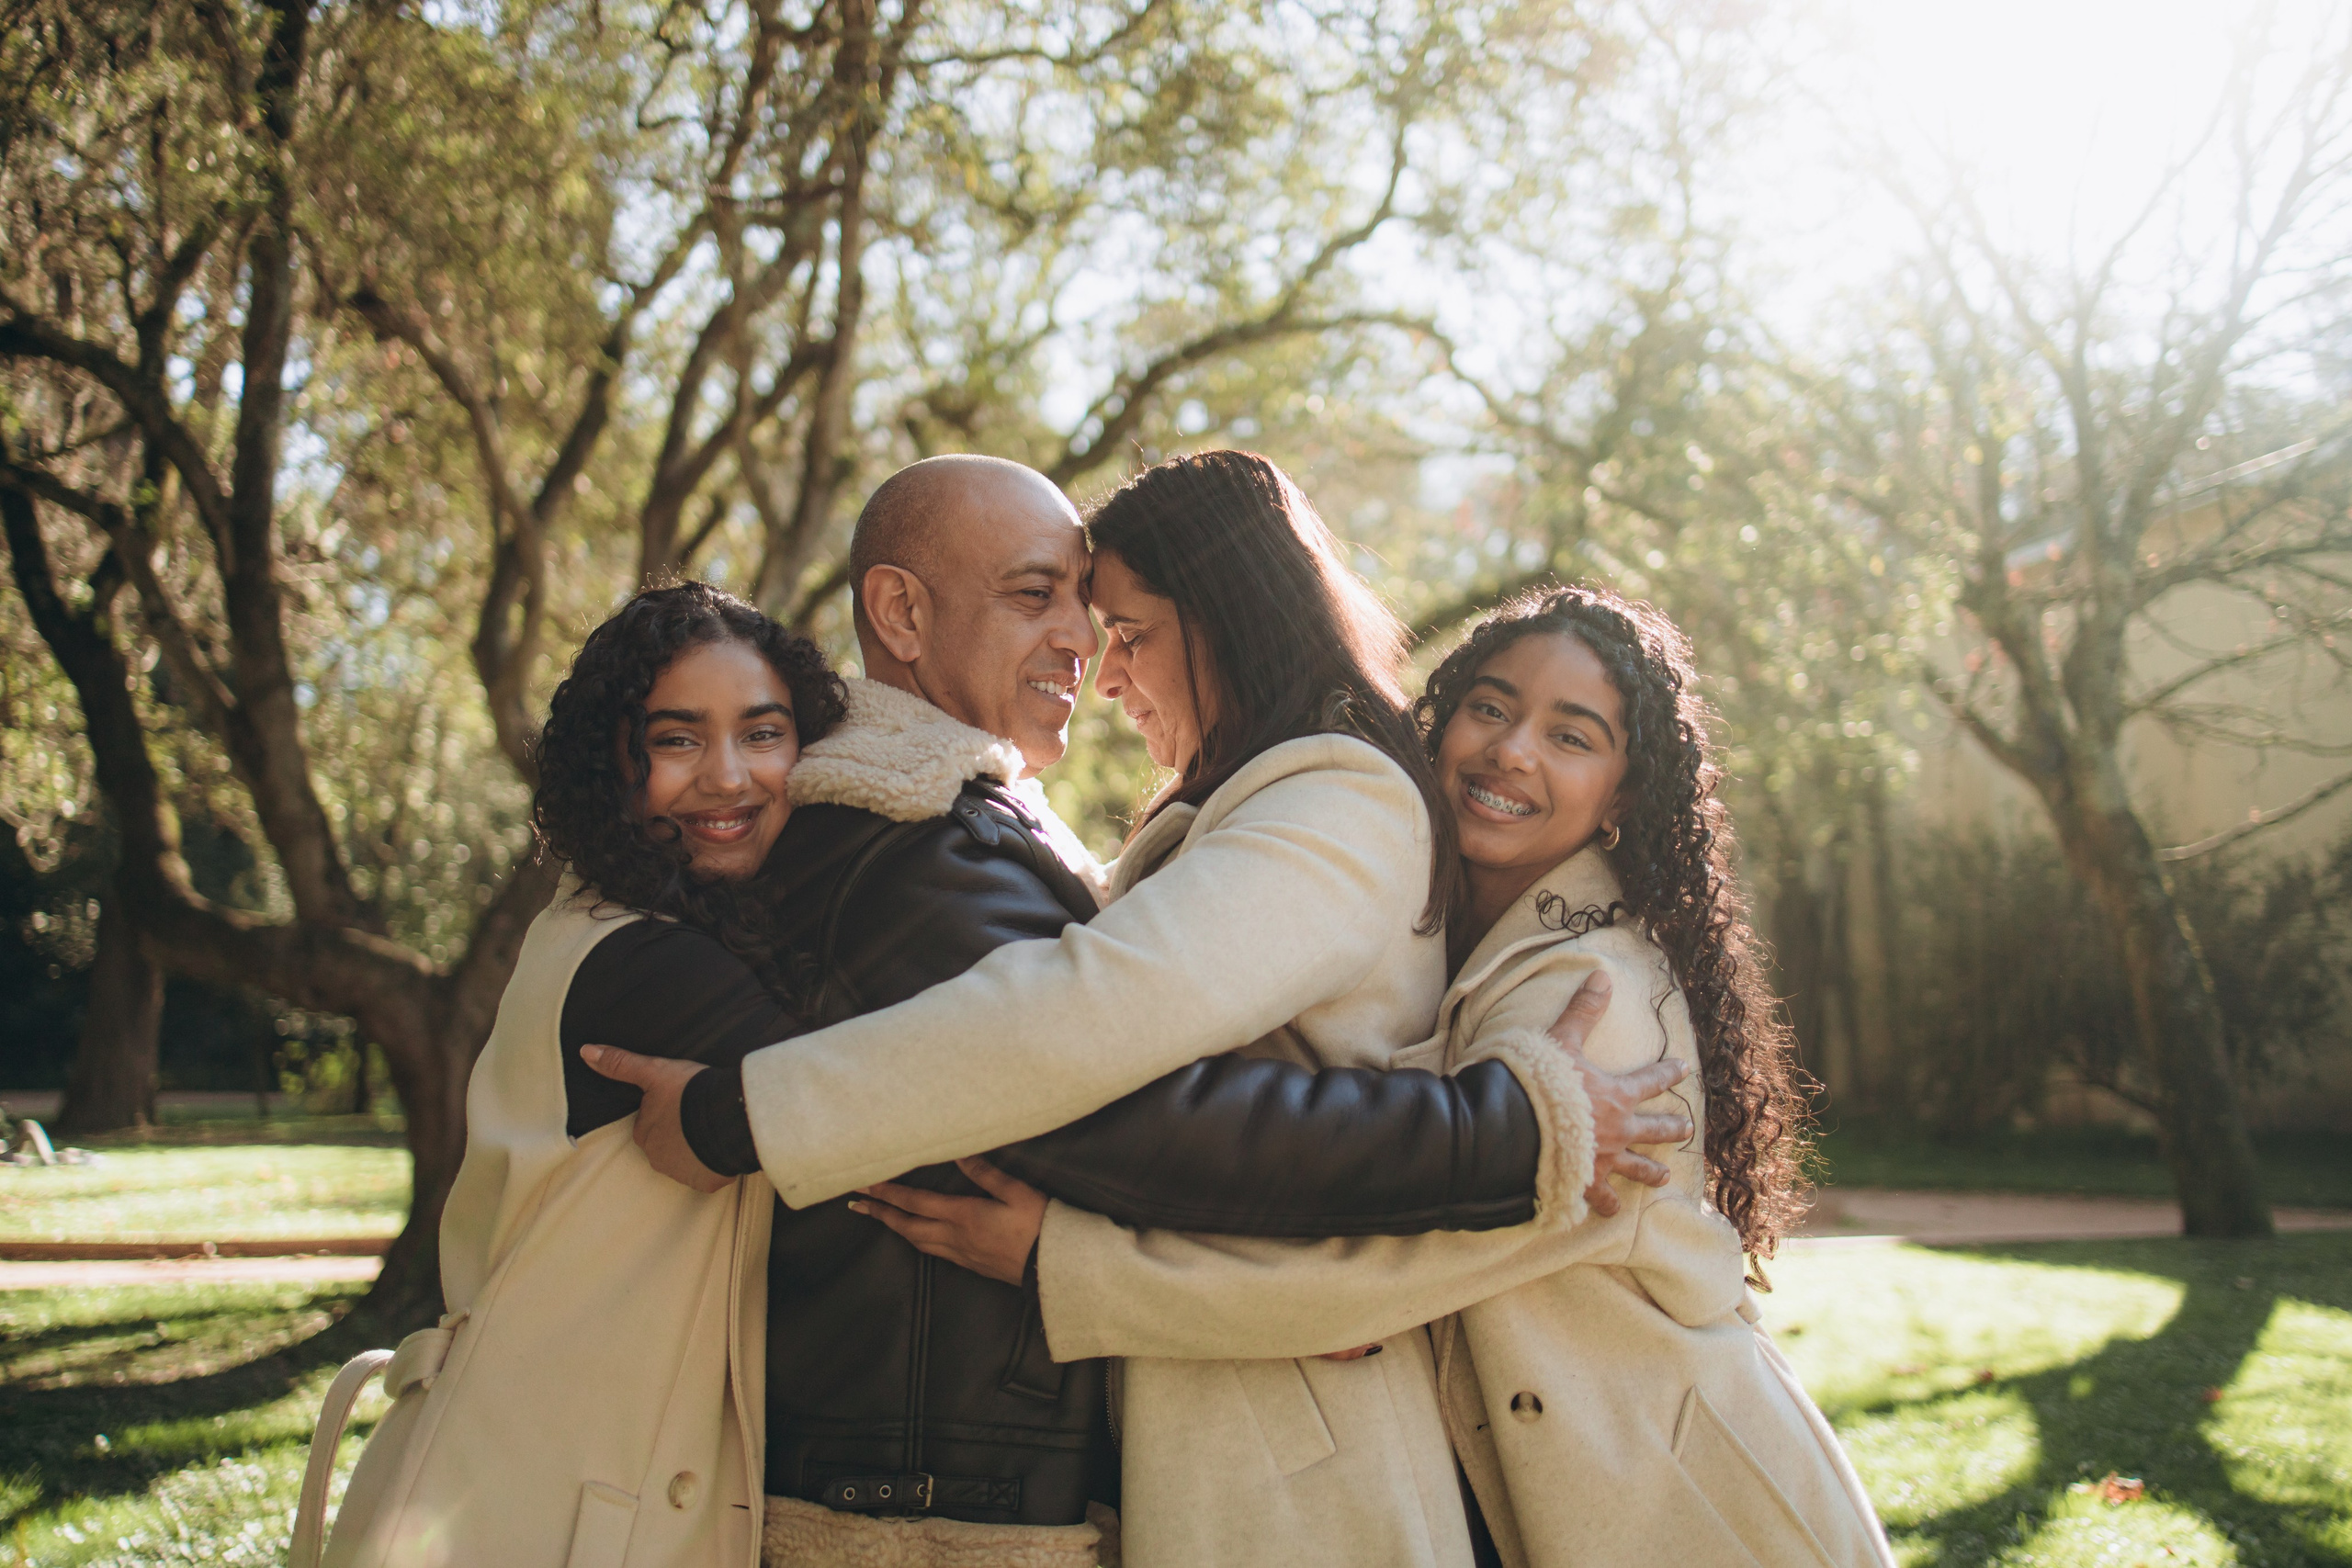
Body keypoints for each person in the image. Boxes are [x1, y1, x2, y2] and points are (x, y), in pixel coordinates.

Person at [602, 452, 1670, 1568]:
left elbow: (1092, 1035)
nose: (1101, 668)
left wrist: (749, 1116)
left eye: (1128, 631)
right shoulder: (1068, 822)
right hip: (1213, 1416)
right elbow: (1116, 1061)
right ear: (900, 613)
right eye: (1044, 599)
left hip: (1293, 1443)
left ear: (1226, 622)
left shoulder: (1336, 798)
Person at [876, 587, 1899, 1568]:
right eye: (1489, 709)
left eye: (1571, 735)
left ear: (1622, 796)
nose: (1510, 750)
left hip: (1688, 1511)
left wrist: (1065, 1262)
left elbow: (1384, 1271)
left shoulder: (1600, 1002)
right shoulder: (1429, 937)